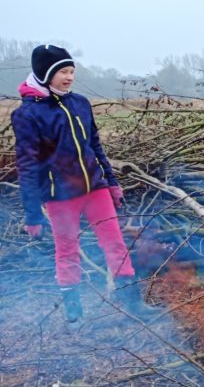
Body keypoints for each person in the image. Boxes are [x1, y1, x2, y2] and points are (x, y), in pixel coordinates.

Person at [12, 44, 157, 322]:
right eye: (62, 72)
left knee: (115, 244)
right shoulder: (27, 115)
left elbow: (94, 146)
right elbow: (27, 166)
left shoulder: (79, 103)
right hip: (59, 198)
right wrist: (32, 214)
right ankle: (74, 312)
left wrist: (111, 182)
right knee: (66, 251)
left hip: (95, 189)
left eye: (71, 71)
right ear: (45, 73)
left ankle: (133, 306)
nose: (69, 77)